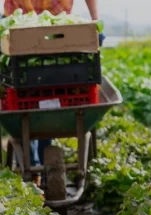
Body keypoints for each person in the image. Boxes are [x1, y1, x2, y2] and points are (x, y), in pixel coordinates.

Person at [3, 0, 105, 175]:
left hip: (59, 31)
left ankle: (40, 156)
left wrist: (95, 19)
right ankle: (32, 160)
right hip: (18, 27)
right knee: (22, 86)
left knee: (51, 85)